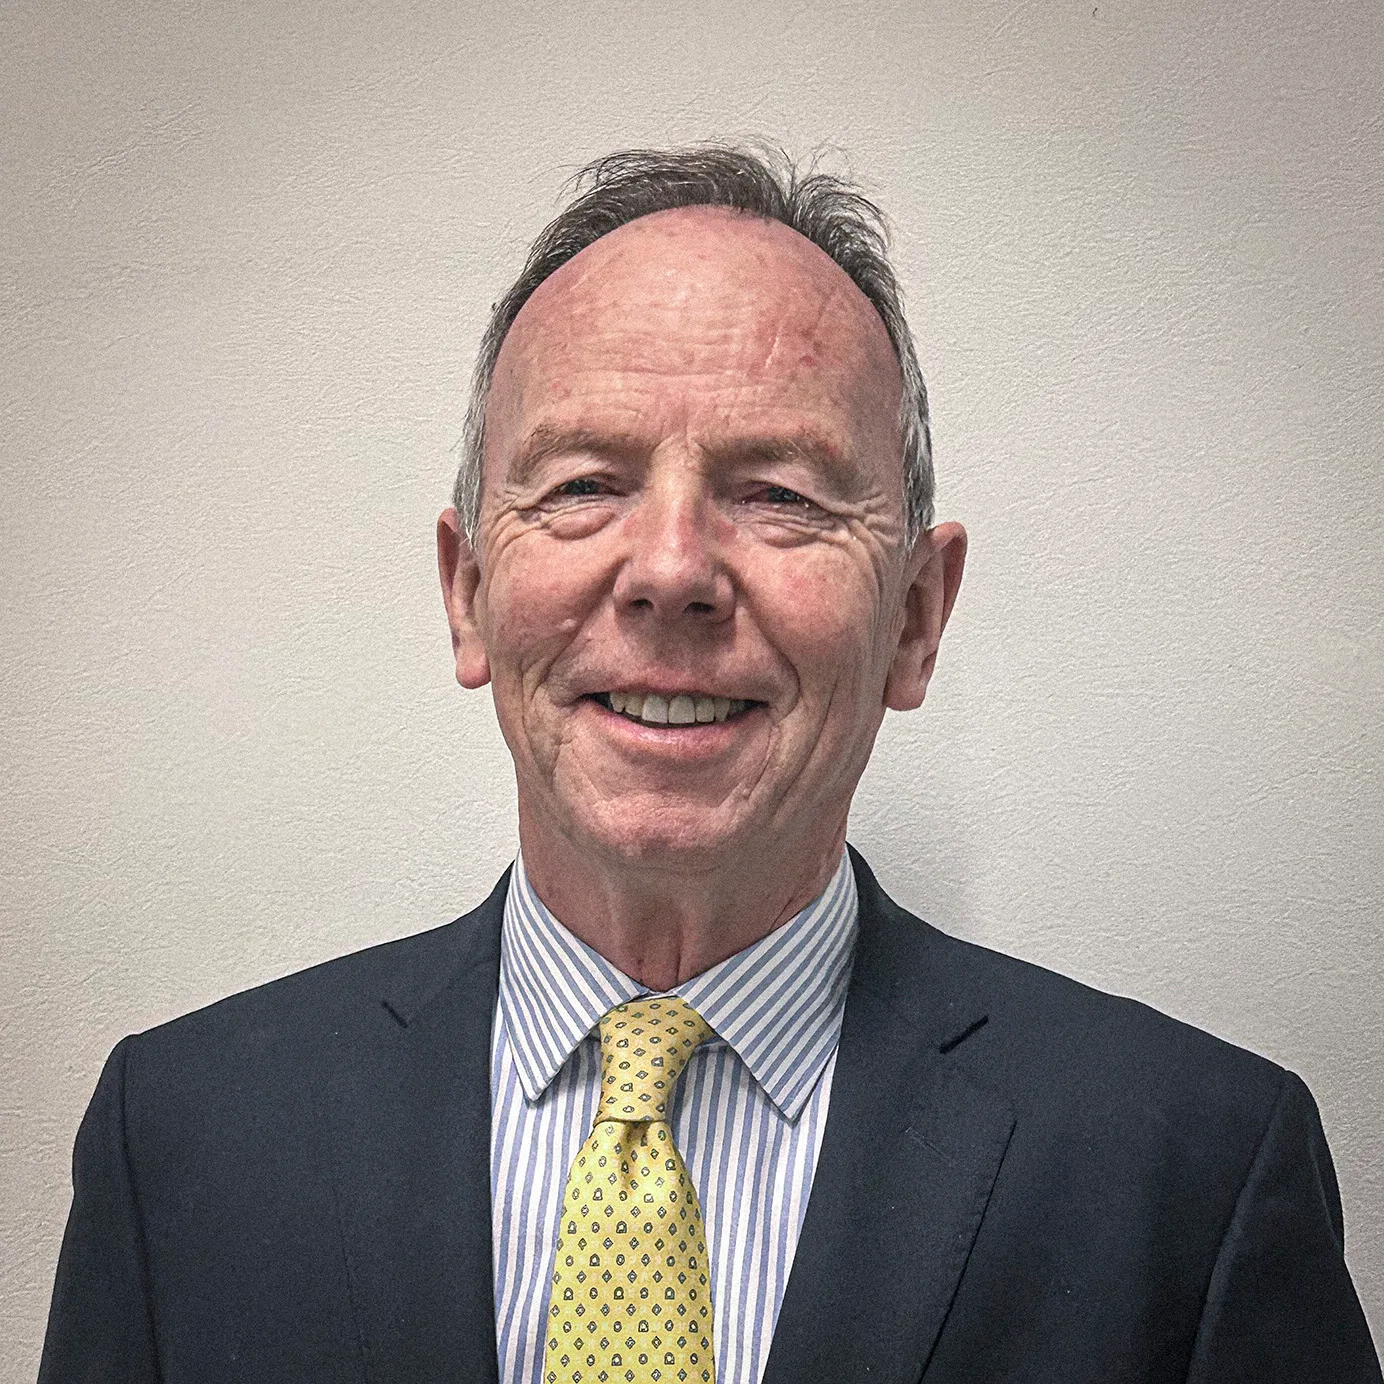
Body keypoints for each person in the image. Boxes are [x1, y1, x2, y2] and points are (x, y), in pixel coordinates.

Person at [39, 145, 1380, 1384]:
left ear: (915, 618)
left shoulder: (1194, 1176)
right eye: (582, 485)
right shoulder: (185, 1143)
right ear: (467, 593)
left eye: (780, 494)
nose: (672, 570)